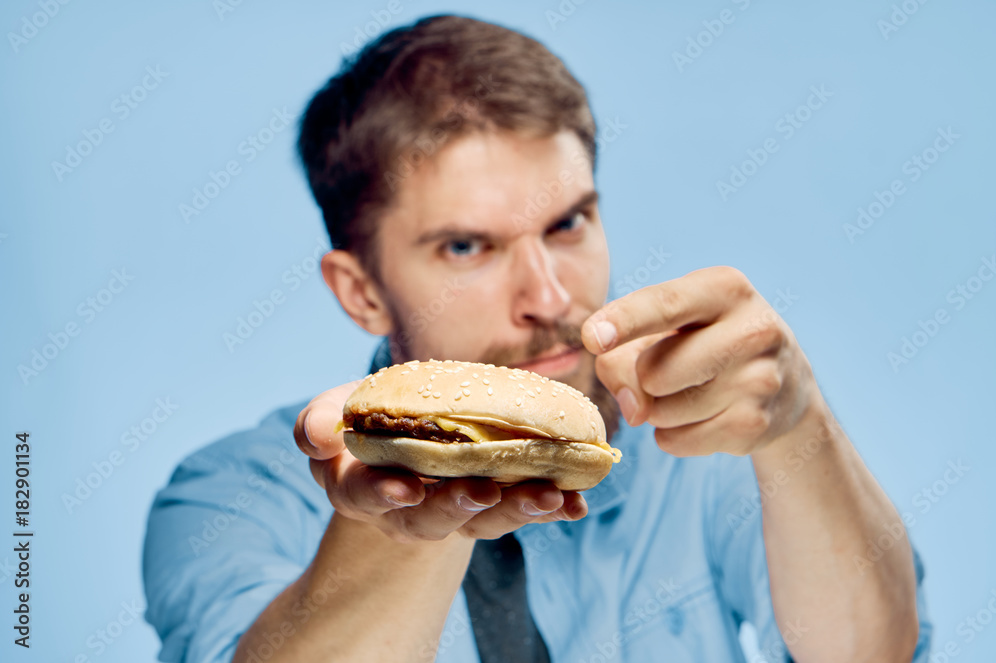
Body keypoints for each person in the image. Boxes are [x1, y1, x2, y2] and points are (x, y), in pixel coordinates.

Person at [142, 14, 931, 663]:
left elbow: (872, 653)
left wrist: (799, 431)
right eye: (466, 248)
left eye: (569, 223)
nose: (550, 298)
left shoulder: (698, 446)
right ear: (361, 290)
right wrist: (402, 520)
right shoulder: (226, 499)